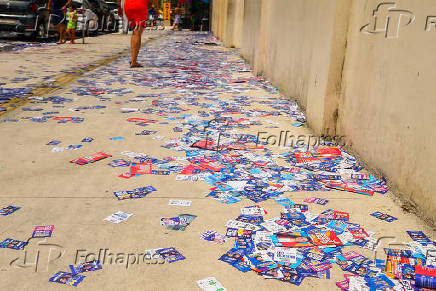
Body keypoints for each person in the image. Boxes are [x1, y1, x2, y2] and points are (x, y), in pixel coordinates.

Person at [118, 0, 149, 67]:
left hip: (128, 6)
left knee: (135, 32)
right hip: (140, 5)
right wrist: (155, 7)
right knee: (137, 32)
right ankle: (133, 61)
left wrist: (119, 7)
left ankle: (133, 59)